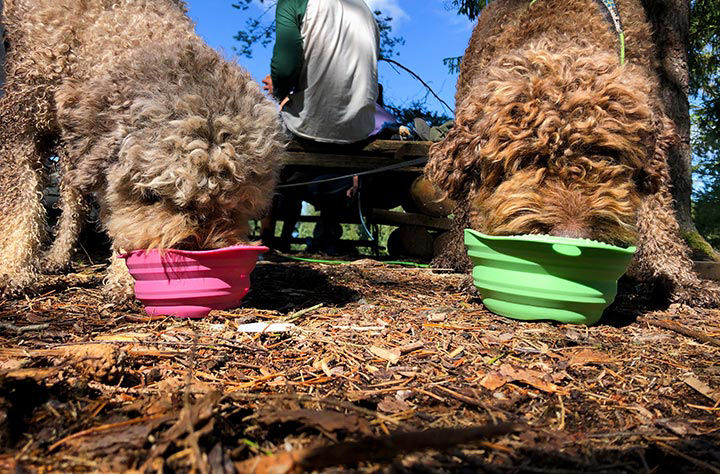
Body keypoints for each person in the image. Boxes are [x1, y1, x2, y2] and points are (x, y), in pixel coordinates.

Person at [260, 0, 383, 254]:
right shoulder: (365, 11)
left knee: (274, 158)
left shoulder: (294, 3)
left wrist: (281, 93)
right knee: (321, 168)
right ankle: (327, 232)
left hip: (312, 124)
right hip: (359, 129)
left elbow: (284, 67)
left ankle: (267, 240)